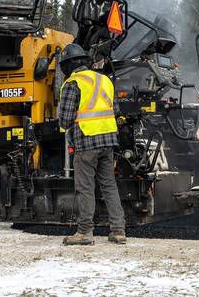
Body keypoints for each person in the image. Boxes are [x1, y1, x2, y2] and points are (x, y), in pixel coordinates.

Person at [56, 43, 126, 246]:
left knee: (85, 187)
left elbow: (65, 120)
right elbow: (116, 110)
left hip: (86, 141)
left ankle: (85, 232)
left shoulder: (72, 83)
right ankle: (118, 230)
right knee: (109, 185)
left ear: (68, 66)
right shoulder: (104, 80)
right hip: (108, 140)